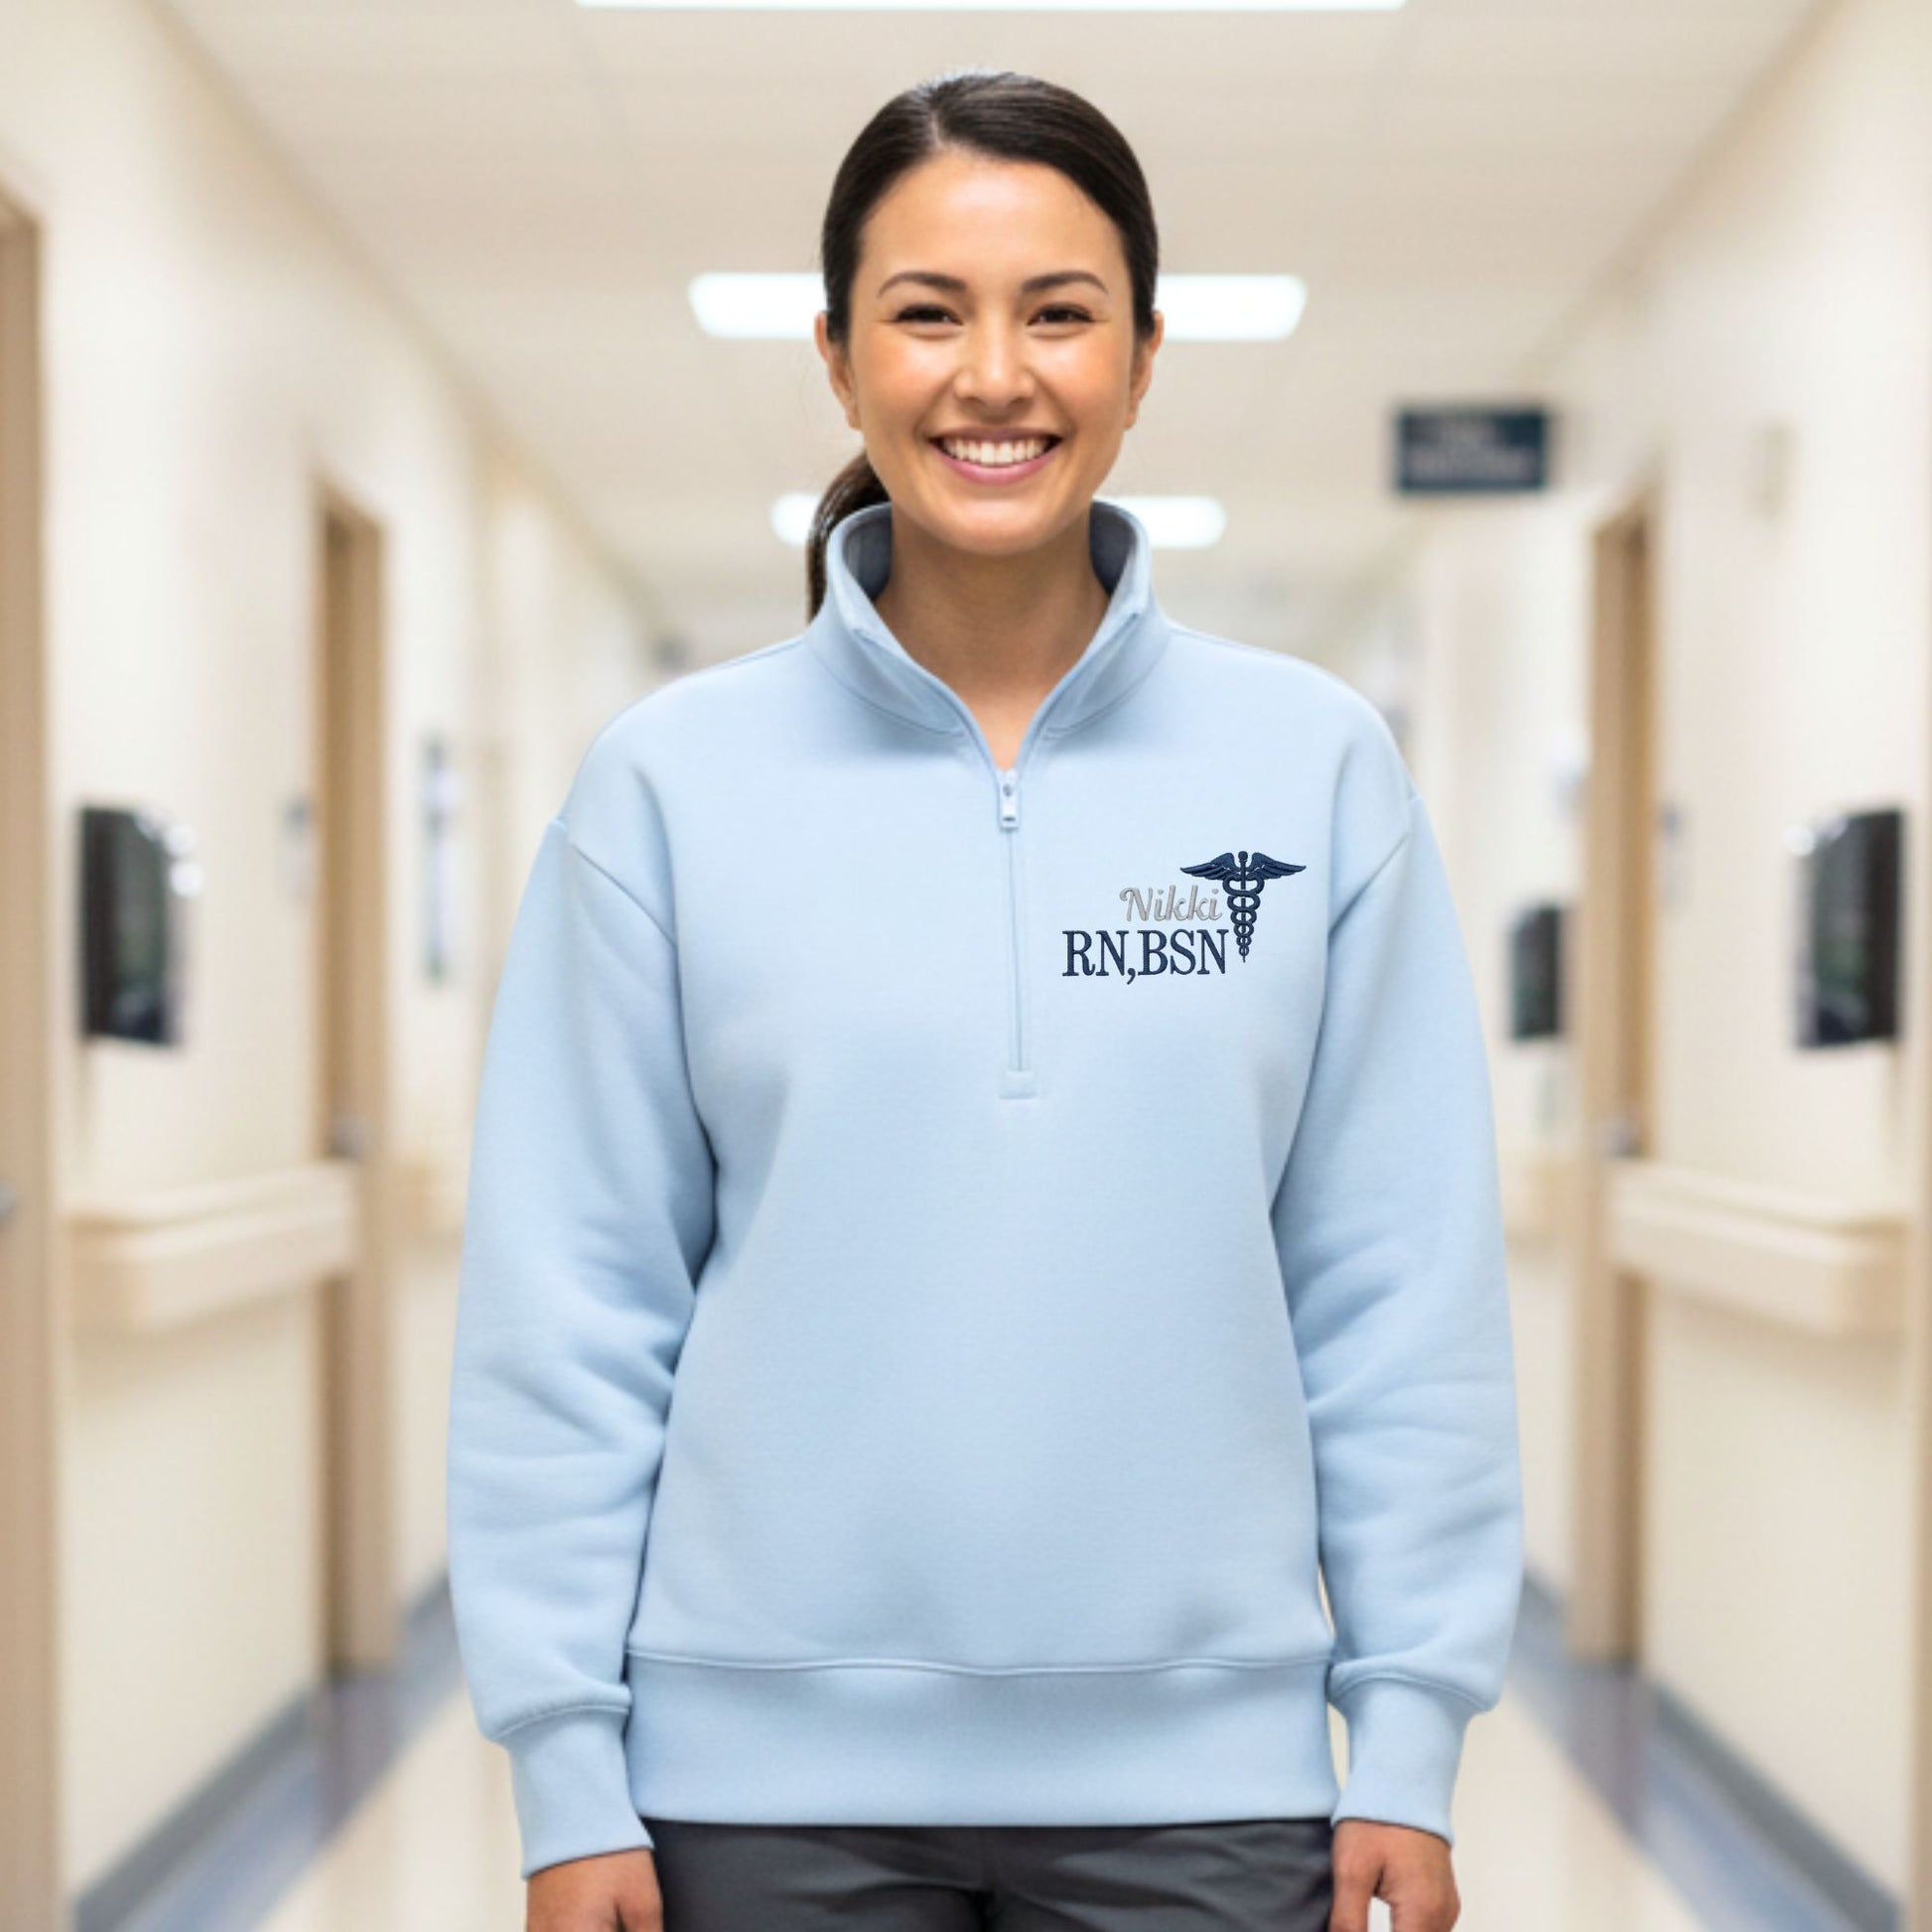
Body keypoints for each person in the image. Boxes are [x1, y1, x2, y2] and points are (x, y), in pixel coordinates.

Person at [447, 66, 1523, 1932]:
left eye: (1059, 313)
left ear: (1145, 352)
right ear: (839, 356)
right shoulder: (668, 785)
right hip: (753, 1793)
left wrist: (1408, 1727)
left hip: (1205, 1788)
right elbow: (574, 1300)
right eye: (928, 312)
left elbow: (1395, 1283)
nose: (994, 375)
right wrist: (565, 1767)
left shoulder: (1313, 768)